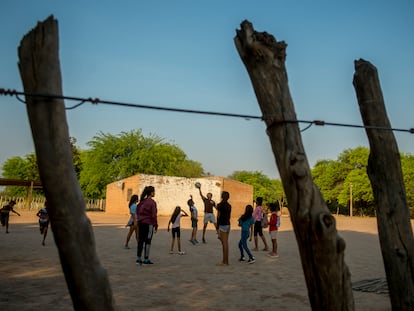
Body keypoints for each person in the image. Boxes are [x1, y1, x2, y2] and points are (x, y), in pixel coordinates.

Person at [136, 186, 158, 265]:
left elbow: (137, 211)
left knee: (140, 240)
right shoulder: (152, 202)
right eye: (154, 191)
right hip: (149, 224)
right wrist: (156, 225)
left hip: (141, 223)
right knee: (148, 241)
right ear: (151, 193)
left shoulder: (142, 202)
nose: (154, 193)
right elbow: (153, 215)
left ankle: (138, 258)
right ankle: (146, 259)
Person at [216, 191, 231, 266]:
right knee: (225, 243)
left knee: (224, 243)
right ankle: (225, 260)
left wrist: (217, 228)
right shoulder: (229, 205)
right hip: (228, 224)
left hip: (222, 225)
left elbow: (218, 217)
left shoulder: (219, 205)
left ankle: (225, 261)